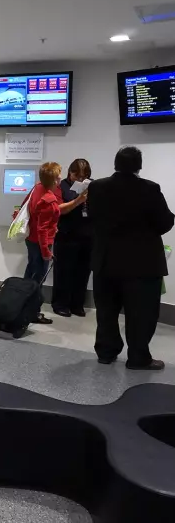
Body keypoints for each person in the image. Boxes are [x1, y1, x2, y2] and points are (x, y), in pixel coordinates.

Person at [87, 146, 174, 370]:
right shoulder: (150, 189)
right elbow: (164, 223)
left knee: (106, 311)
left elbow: (93, 218)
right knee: (141, 315)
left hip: (106, 261)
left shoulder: (97, 187)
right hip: (142, 264)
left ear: (115, 164)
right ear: (139, 166)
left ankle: (106, 352)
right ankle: (138, 358)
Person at [22, 162, 63, 325]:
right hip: (40, 243)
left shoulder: (37, 188)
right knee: (38, 279)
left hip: (30, 239)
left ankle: (21, 304)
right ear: (54, 180)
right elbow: (42, 229)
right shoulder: (49, 200)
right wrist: (46, 251)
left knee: (30, 273)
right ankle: (33, 312)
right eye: (58, 175)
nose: (60, 177)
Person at [52, 159, 93, 318]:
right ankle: (60, 304)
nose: (81, 179)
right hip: (66, 235)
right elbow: (60, 210)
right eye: (78, 176)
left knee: (83, 272)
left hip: (87, 235)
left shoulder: (92, 185)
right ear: (70, 173)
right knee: (64, 272)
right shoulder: (61, 186)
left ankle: (77, 304)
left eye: (85, 176)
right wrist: (79, 200)